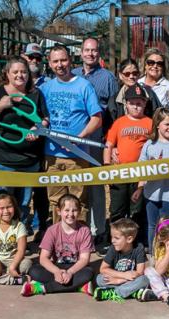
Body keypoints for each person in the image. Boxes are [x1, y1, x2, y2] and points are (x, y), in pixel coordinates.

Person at [0, 56, 48, 232]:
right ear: (7, 74)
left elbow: (45, 118)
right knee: (2, 204)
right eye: (15, 72)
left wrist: (38, 128)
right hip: (3, 161)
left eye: (23, 72)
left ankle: (19, 238)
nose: (20, 75)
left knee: (23, 204)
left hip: (29, 160)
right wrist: (0, 106)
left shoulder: (35, 94)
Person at [40, 45, 102, 222]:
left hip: (78, 155)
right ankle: (59, 242)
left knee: (78, 201)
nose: (60, 65)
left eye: (63, 60)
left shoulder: (84, 86)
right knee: (56, 202)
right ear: (50, 64)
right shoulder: (45, 88)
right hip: (52, 156)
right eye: (56, 61)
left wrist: (79, 138)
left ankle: (79, 241)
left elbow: (96, 119)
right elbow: (40, 119)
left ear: (70, 60)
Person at [72, 37, 117, 245]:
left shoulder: (107, 78)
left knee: (96, 186)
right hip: (72, 139)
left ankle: (98, 230)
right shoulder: (72, 75)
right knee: (76, 186)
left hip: (96, 139)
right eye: (87, 50)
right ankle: (75, 232)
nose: (90, 54)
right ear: (81, 52)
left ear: (99, 53)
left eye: (94, 50)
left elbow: (113, 112)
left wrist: (111, 141)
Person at [101, 84, 152, 253]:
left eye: (140, 102)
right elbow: (109, 145)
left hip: (140, 175)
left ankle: (136, 242)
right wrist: (107, 167)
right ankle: (114, 241)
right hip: (120, 173)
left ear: (145, 104)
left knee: (137, 210)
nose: (136, 106)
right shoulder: (119, 122)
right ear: (126, 104)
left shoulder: (150, 123)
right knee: (117, 209)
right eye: (132, 103)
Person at [136, 108, 169, 250]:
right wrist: (139, 188)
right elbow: (141, 168)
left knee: (166, 225)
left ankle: (165, 253)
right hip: (151, 192)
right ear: (157, 124)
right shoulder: (149, 144)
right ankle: (154, 254)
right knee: (152, 225)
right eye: (167, 124)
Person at [21, 194, 94, 296]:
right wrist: (56, 272)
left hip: (75, 268)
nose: (71, 214)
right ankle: (80, 287)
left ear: (80, 211)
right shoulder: (52, 230)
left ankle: (41, 288)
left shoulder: (84, 231)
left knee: (88, 273)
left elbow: (84, 259)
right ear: (59, 211)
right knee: (34, 271)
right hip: (57, 266)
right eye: (67, 210)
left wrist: (70, 272)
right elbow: (43, 258)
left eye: (74, 210)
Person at [21, 43, 50, 238]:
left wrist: (40, 126)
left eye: (38, 58)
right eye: (31, 57)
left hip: (41, 144)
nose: (34, 61)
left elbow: (47, 115)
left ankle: (41, 225)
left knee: (41, 189)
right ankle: (21, 226)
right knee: (21, 191)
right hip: (17, 145)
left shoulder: (48, 84)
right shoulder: (14, 82)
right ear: (24, 57)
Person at [93, 218, 149, 302]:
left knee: (144, 280)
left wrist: (120, 281)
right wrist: (122, 276)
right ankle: (131, 292)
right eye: (112, 237)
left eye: (116, 238)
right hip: (120, 278)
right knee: (99, 278)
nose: (112, 241)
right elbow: (103, 269)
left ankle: (112, 292)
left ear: (129, 239)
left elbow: (140, 272)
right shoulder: (113, 248)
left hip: (129, 280)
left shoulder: (138, 248)